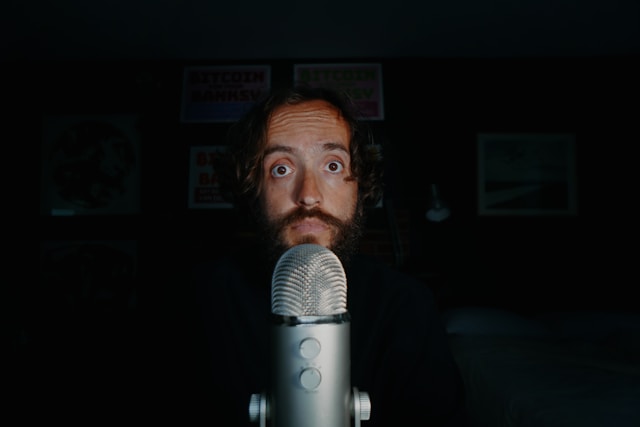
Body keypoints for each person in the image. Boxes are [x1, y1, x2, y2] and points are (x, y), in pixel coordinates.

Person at [155, 85, 468, 427]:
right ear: (252, 189)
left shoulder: (406, 304)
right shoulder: (199, 300)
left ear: (359, 186)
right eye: (281, 169)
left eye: (332, 165)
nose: (308, 196)